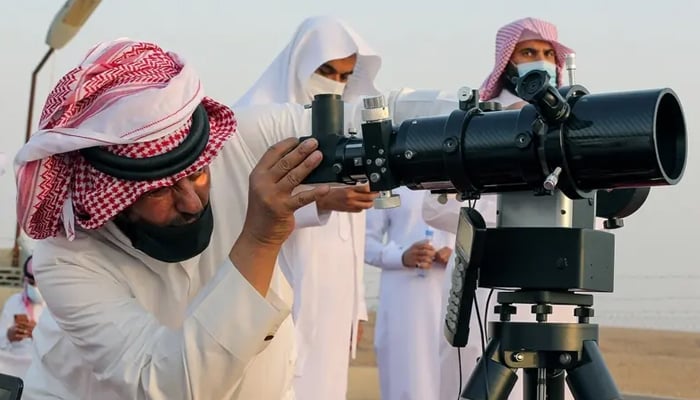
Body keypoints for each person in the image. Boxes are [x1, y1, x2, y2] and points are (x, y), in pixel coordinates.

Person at [15, 38, 464, 400]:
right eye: (159, 189)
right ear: (105, 190)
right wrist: (261, 239)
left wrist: (487, 124)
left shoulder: (244, 141)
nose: (192, 202)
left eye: (199, 172)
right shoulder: (67, 258)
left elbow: (372, 119)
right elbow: (170, 386)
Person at [427, 17, 576, 399]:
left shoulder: (571, 126)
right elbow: (434, 208)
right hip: (483, 281)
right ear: (508, 60)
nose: (538, 62)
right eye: (528, 52)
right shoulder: (480, 120)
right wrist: (507, 218)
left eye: (546, 54)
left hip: (553, 280)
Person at [234, 16, 381, 399]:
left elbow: (353, 238)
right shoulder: (256, 122)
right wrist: (323, 200)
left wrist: (356, 306)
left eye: (344, 75)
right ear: (300, 64)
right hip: (282, 284)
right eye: (325, 70)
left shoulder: (346, 128)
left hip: (333, 296)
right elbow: (238, 207)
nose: (334, 83)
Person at [364, 186, 456, 400]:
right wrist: (401, 256)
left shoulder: (464, 174)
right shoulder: (394, 184)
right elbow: (365, 241)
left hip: (455, 294)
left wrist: (459, 253)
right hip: (404, 298)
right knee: (407, 375)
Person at [479, 17, 574, 109]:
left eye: (549, 54)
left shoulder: (572, 108)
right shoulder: (487, 116)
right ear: (507, 63)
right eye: (528, 53)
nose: (542, 61)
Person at [0, 255, 45, 378]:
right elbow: (1, 336)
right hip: (14, 357)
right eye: (31, 283)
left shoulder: (54, 306)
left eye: (39, 283)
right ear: (24, 280)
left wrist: (39, 333)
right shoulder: (13, 302)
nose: (35, 287)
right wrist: (8, 335)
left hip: (40, 359)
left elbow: (59, 344)